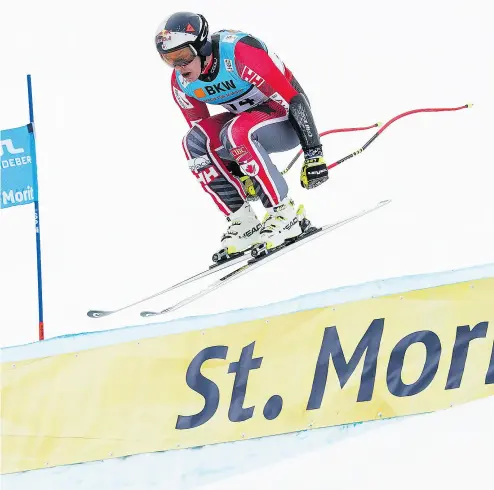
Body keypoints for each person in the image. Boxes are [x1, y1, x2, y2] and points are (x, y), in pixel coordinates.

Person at [154, 12, 329, 260]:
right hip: (244, 129)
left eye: (182, 57)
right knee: (193, 142)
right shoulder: (182, 83)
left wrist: (314, 155)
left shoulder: (239, 53)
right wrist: (236, 171)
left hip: (286, 121)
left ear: (202, 47)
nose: (179, 68)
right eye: (169, 60)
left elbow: (294, 100)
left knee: (236, 132)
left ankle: (284, 213)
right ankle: (243, 221)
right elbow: (206, 138)